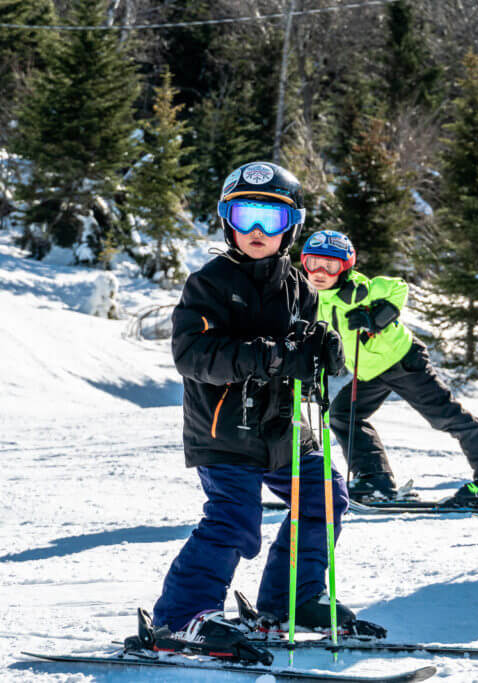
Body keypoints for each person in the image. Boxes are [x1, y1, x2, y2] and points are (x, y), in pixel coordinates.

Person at [150, 162, 379, 658]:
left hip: (283, 428)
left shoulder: (298, 285)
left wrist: (321, 352)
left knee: (324, 494)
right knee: (234, 519)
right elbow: (194, 356)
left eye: (270, 220)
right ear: (226, 221)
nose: (256, 231)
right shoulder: (208, 283)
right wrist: (270, 355)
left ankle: (291, 600)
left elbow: (300, 350)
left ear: (291, 227)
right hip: (224, 430)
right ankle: (181, 617)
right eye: (244, 216)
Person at [299, 229, 478, 507]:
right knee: (343, 415)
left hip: (402, 361)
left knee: (444, 416)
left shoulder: (362, 290)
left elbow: (399, 287)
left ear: (345, 268)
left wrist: (378, 315)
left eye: (330, 266)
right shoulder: (311, 299)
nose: (319, 272)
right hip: (369, 373)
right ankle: (374, 480)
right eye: (312, 263)